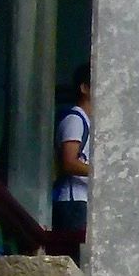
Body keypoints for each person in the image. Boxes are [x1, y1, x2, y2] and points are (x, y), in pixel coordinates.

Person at [52, 66, 92, 261]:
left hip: (82, 202)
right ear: (84, 88)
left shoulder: (88, 121)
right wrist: (101, 173)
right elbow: (69, 162)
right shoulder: (75, 120)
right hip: (72, 202)